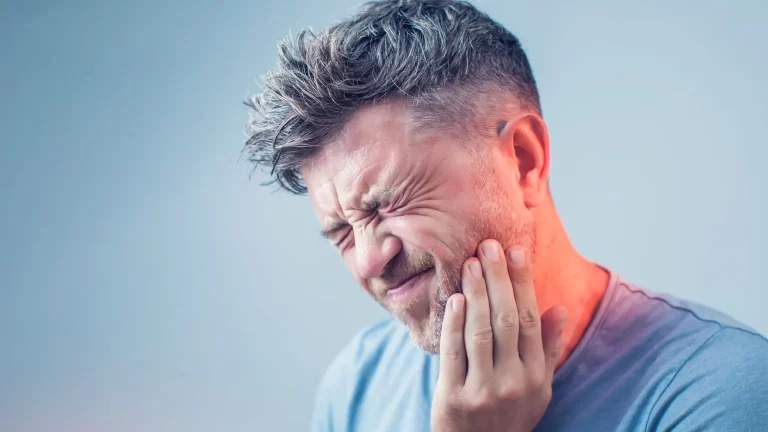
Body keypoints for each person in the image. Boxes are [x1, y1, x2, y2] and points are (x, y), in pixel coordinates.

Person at [243, 0, 768, 430]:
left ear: (524, 161)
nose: (370, 260)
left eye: (388, 203)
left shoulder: (724, 395)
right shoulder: (356, 385)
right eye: (340, 233)